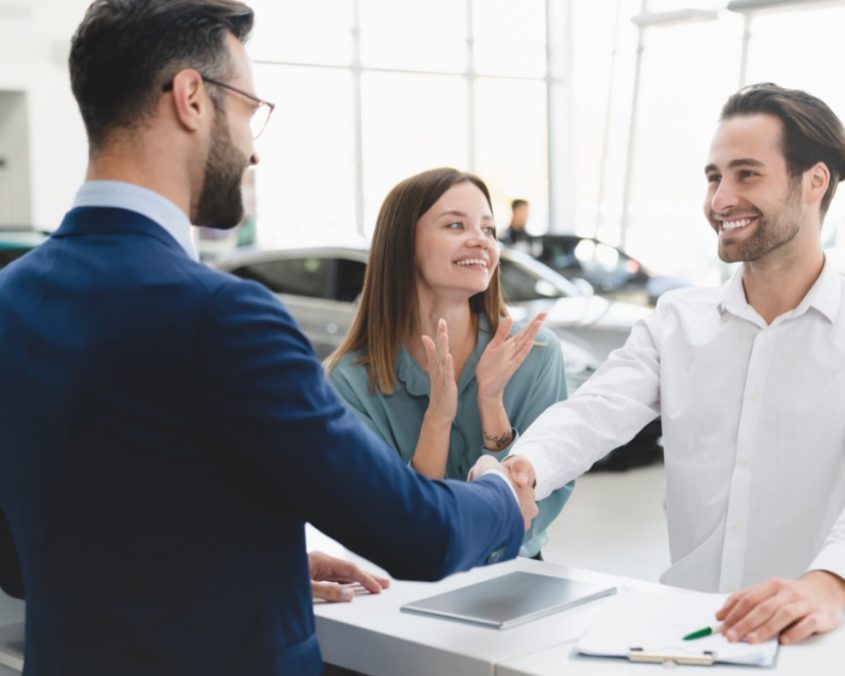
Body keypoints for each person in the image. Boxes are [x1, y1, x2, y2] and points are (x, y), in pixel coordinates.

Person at [0, 2, 535, 675]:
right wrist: (503, 499)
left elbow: (22, 560)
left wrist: (257, 564)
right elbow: (418, 534)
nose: (254, 148)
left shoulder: (12, 296)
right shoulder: (221, 315)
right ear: (192, 99)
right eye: (250, 109)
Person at [476, 83, 845, 646]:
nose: (721, 200)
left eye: (747, 174)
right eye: (714, 177)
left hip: (822, 642)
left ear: (814, 182)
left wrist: (831, 583)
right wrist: (525, 468)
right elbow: (596, 411)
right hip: (693, 639)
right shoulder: (676, 323)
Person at [326, 168, 573, 559]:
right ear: (403, 244)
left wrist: (492, 406)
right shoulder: (350, 380)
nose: (480, 240)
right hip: (406, 581)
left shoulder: (537, 353)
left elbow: (540, 503)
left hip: (517, 572)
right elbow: (397, 522)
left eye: (488, 229)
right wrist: (437, 420)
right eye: (456, 225)